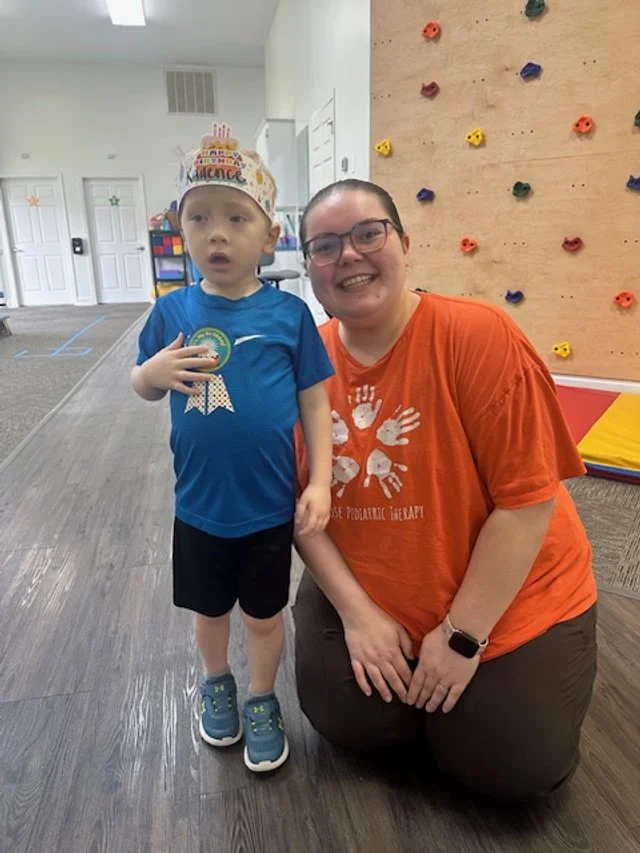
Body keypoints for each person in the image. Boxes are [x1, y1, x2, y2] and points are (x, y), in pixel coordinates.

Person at [293, 178, 597, 801]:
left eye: (367, 233)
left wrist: (462, 636)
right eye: (325, 245)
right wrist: (358, 616)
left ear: (404, 244)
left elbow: (528, 503)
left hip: (507, 593)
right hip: (372, 589)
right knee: (351, 724)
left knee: (508, 768)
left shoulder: (479, 336)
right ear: (309, 269)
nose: (348, 255)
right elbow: (299, 512)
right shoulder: (301, 366)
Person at [131, 122, 334, 773]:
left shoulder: (289, 315)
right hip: (198, 506)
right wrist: (149, 377)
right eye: (199, 218)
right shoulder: (171, 312)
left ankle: (261, 697)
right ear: (180, 229)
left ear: (270, 235)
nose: (216, 232)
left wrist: (321, 481)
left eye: (236, 218)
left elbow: (315, 401)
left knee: (266, 614)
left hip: (268, 507)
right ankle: (216, 681)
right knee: (208, 608)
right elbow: (142, 384)